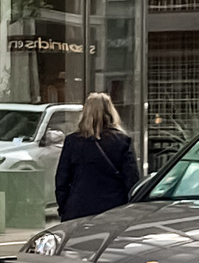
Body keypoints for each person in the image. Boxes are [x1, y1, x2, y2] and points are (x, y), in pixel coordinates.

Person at [55, 91, 143, 220]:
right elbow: (132, 180)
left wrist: (64, 207)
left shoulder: (72, 141)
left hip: (78, 209)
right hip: (113, 209)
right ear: (111, 112)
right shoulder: (123, 141)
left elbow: (62, 180)